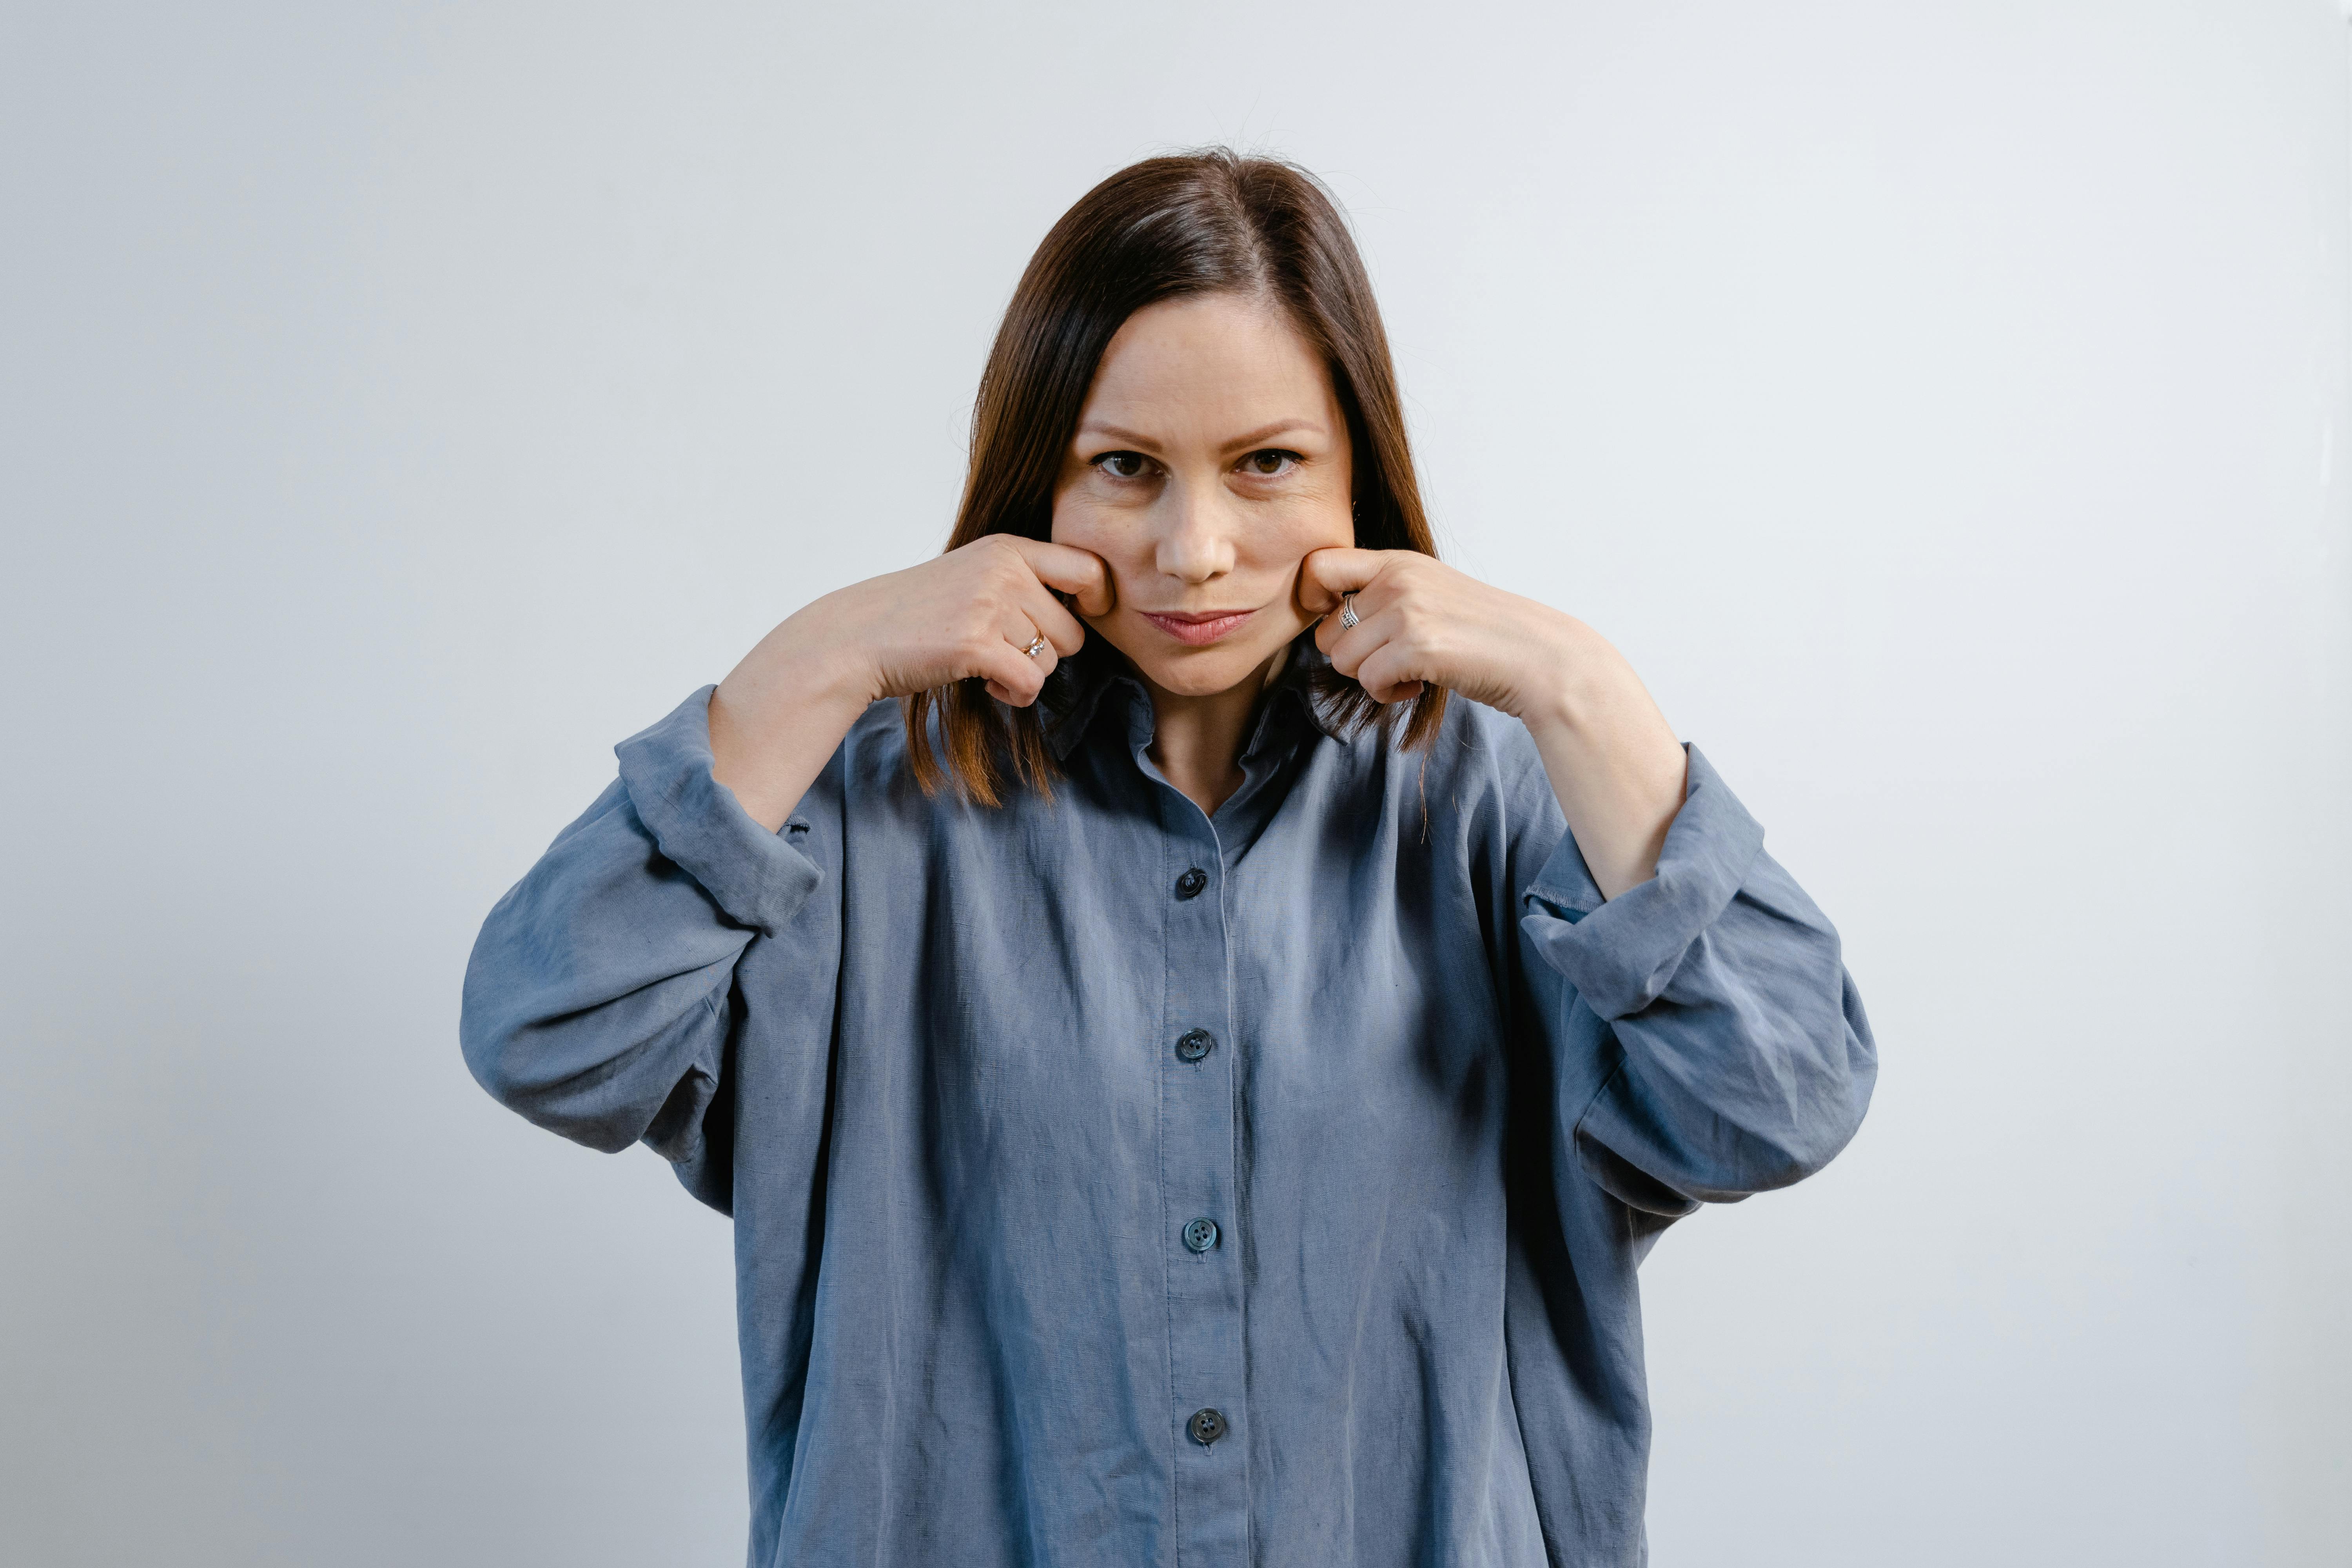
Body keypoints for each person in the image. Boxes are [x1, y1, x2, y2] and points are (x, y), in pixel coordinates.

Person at [459, 148, 1876, 1567]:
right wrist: (806, 668)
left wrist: (1585, 688)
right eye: (1126, 468)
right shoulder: (855, 810)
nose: (1198, 552)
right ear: (1040, 481)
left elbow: (1780, 1103)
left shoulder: (1509, 802)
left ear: (1357, 476)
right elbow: (550, 1039)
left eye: (1267, 464)